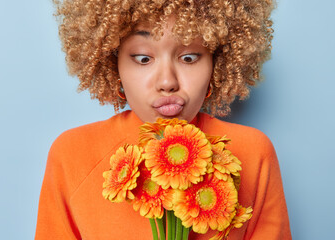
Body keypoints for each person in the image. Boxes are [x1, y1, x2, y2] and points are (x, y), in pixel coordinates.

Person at [35, 0, 291, 239]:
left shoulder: (254, 153)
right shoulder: (71, 155)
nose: (167, 82)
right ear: (114, 65)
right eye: (143, 58)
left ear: (217, 62)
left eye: (189, 58)